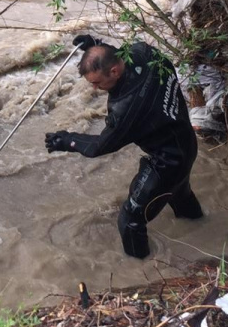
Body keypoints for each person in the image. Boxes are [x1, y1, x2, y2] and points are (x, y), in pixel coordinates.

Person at [45, 34, 204, 258]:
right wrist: (94, 45)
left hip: (167, 161)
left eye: (97, 83)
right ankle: (205, 232)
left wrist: (66, 140)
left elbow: (100, 146)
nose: (94, 88)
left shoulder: (126, 107)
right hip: (186, 143)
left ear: (114, 72)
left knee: (130, 219)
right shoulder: (144, 53)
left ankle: (140, 271)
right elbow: (115, 51)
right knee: (178, 191)